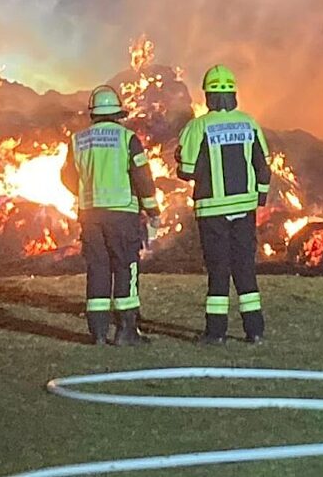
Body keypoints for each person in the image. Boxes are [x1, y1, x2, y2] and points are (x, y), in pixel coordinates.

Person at [175, 64, 271, 344]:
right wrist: (260, 197)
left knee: (218, 270)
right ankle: (254, 330)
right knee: (245, 268)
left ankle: (216, 332)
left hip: (212, 211)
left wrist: (180, 161)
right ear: (233, 94)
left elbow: (187, 170)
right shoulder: (250, 123)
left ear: (208, 96)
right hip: (244, 208)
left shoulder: (198, 127)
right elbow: (263, 168)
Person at [61, 85, 161, 346]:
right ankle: (127, 331)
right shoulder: (127, 139)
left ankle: (98, 333)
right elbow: (142, 177)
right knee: (125, 266)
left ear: (93, 113)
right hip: (122, 214)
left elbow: (67, 177)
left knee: (98, 269)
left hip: (91, 214)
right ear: (118, 113)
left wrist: (87, 192)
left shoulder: (78, 140)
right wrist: (152, 210)